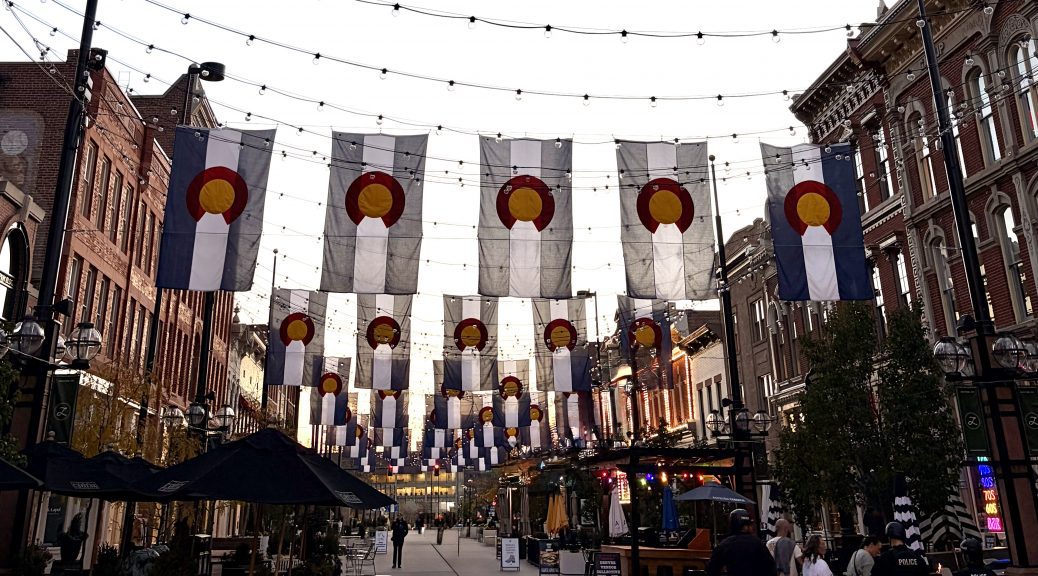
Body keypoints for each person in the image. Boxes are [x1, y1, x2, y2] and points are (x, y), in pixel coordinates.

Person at [706, 509, 776, 576]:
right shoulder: (758, 543)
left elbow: (712, 569)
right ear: (748, 525)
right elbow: (770, 568)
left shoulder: (725, 544)